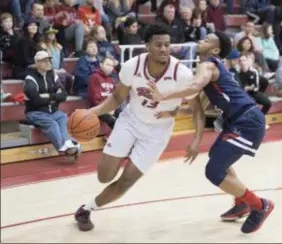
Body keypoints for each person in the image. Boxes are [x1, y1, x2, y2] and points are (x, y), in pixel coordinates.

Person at [74, 23, 205, 231]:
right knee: (104, 176)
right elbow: (117, 97)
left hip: (157, 133)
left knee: (126, 182)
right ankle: (120, 154)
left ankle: (87, 209)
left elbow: (197, 109)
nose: (164, 49)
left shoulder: (183, 74)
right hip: (130, 122)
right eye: (158, 45)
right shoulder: (131, 66)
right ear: (147, 46)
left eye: (167, 45)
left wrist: (197, 140)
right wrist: (93, 112)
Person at [148, 32, 274, 234]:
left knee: (213, 171)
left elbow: (194, 86)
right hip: (237, 121)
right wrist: (171, 112)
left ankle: (259, 205)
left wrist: (163, 95)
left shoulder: (208, 65)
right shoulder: (213, 73)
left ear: (215, 50)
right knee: (217, 158)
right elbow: (198, 107)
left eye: (206, 40)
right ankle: (241, 201)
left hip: (247, 121)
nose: (200, 41)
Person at [24, 50, 81, 161]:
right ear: (36, 63)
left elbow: (64, 95)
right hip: (35, 112)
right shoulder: (30, 79)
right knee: (52, 124)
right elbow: (36, 101)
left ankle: (68, 143)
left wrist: (48, 96)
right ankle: (63, 148)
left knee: (63, 117)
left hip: (53, 112)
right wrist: (55, 97)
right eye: (44, 61)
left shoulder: (53, 75)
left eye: (49, 60)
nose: (47, 63)